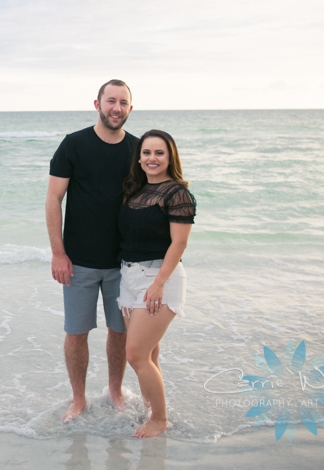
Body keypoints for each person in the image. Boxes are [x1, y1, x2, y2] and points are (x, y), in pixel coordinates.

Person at [46, 79, 138, 421]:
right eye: (110, 100)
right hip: (78, 262)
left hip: (125, 263)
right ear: (97, 104)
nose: (116, 108)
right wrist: (59, 253)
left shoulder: (138, 149)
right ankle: (79, 398)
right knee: (76, 333)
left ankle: (115, 391)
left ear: (131, 108)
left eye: (123, 102)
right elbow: (54, 198)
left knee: (120, 332)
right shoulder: (73, 145)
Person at [117, 129, 196, 438]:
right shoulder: (136, 191)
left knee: (135, 354)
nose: (152, 158)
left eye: (159, 153)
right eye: (146, 152)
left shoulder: (177, 193)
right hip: (130, 278)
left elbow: (179, 244)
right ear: (139, 157)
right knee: (148, 354)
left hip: (159, 278)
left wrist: (159, 284)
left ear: (170, 157)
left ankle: (160, 419)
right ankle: (153, 411)